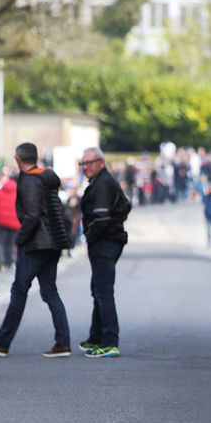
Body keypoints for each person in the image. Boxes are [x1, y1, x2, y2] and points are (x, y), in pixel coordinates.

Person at [0, 142, 72, 359]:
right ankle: (62, 342)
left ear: (18, 159)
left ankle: (2, 341)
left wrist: (21, 239)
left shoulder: (29, 180)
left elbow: (32, 215)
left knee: (19, 291)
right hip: (52, 242)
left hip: (36, 243)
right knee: (49, 291)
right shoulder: (47, 178)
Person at [78, 148, 131, 359]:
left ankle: (109, 341)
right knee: (98, 289)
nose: (85, 167)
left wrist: (89, 236)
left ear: (101, 162)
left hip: (105, 242)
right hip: (108, 241)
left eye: (90, 162)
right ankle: (97, 336)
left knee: (103, 292)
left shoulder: (103, 184)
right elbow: (126, 205)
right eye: (82, 164)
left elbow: (101, 219)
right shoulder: (102, 182)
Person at [0, 172, 19, 269]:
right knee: (11, 243)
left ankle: (0, 262)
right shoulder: (20, 193)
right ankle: (9, 263)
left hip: (0, 221)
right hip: (15, 223)